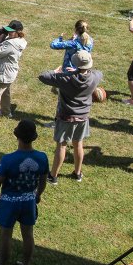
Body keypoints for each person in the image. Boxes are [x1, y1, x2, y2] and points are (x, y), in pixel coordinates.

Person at [0, 119, 48, 265]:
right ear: (34, 137)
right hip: (28, 202)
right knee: (28, 235)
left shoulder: (8, 159)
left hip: (8, 202)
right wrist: (38, 195)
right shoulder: (42, 158)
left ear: (17, 136)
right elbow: (42, 181)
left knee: (6, 237)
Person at [39, 51, 102, 184]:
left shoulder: (65, 79)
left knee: (61, 146)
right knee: (78, 144)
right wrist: (78, 71)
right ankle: (78, 173)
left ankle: (53, 176)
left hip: (65, 118)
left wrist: (56, 72)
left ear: (75, 64)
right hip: (83, 117)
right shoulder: (96, 77)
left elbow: (43, 76)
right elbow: (96, 72)